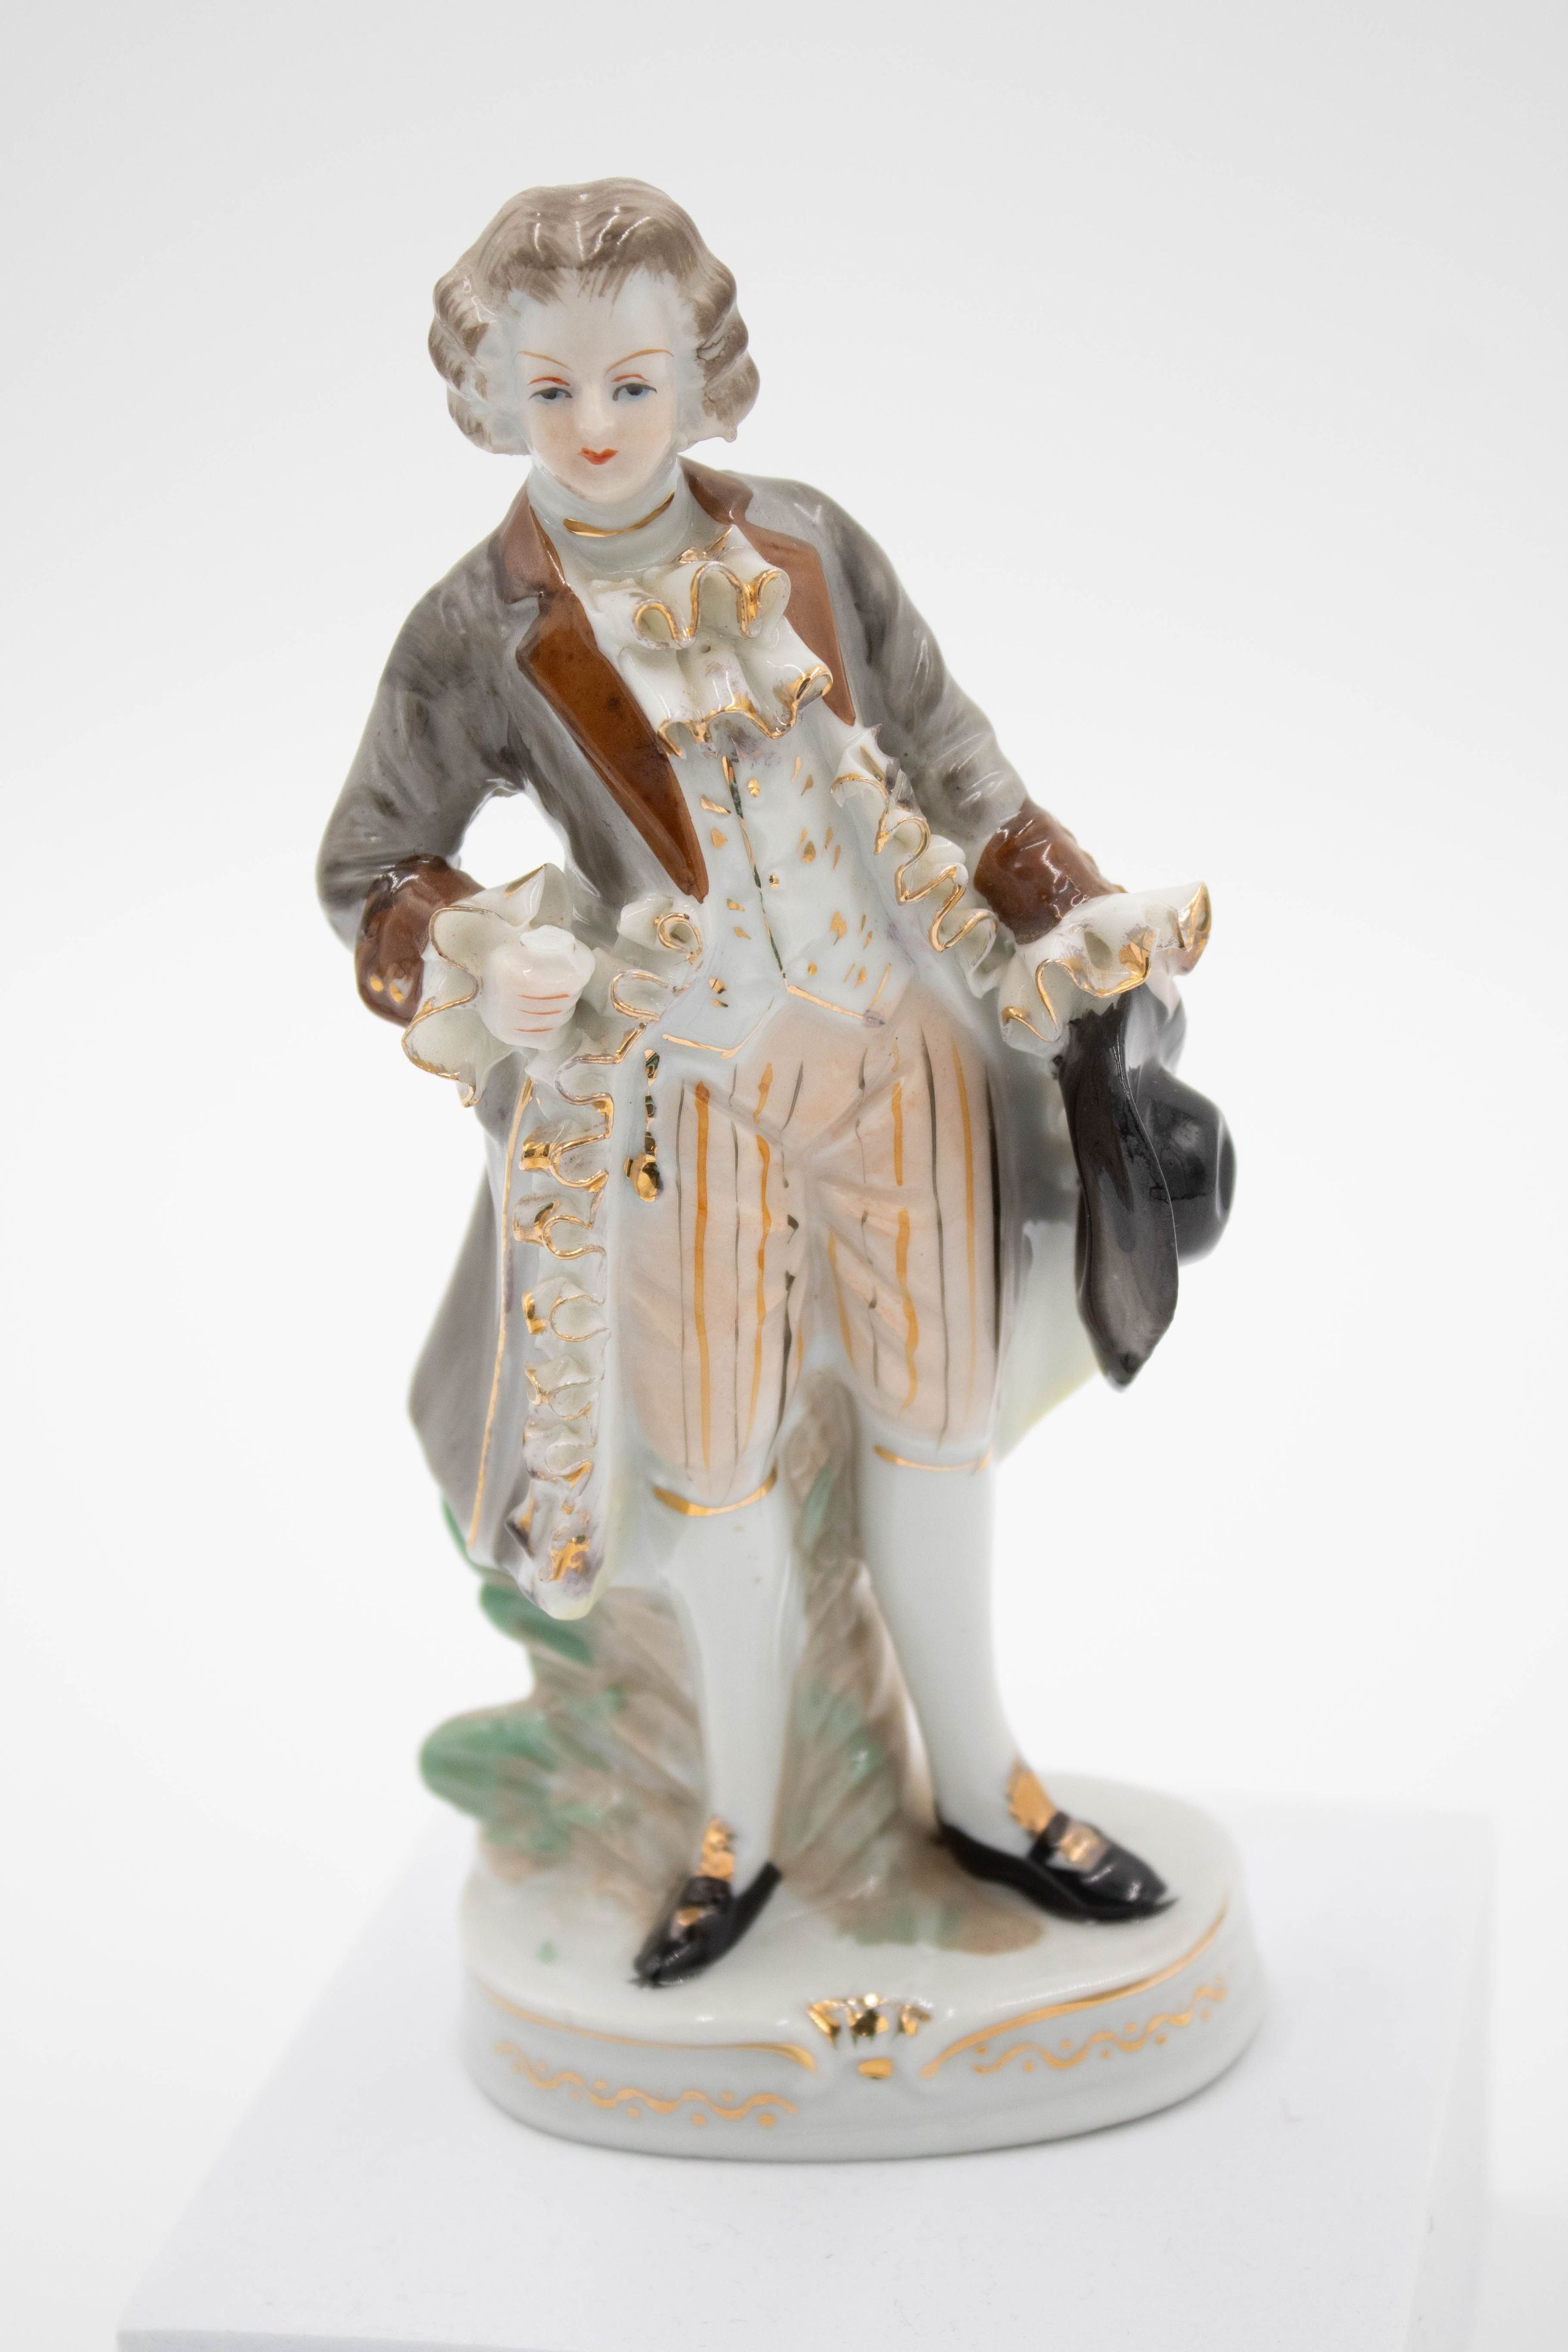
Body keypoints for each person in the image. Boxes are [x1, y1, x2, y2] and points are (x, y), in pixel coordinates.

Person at [319, 179, 1225, 1985]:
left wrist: (1072, 907)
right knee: (715, 1466)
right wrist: (485, 944)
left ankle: (986, 1791)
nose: (595, 426)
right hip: (689, 1096)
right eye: (552, 388)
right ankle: (738, 1823)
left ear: (700, 373)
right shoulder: (479, 626)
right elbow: (370, 867)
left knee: (935, 1425)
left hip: (898, 1053)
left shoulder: (810, 544)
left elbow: (952, 754)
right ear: (490, 391)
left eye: (632, 382)